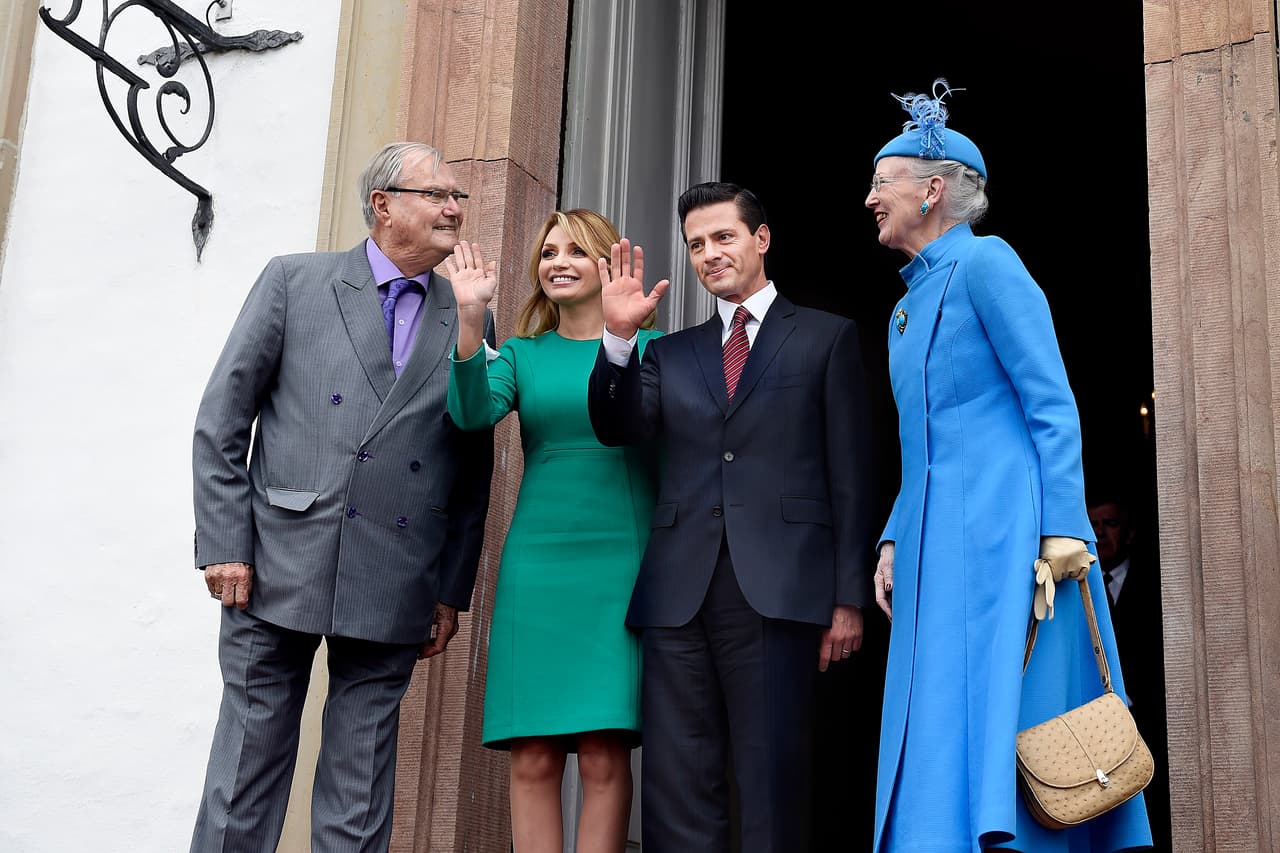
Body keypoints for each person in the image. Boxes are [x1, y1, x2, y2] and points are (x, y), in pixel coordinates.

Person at [866, 80, 1153, 852]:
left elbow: (1052, 404)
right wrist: (893, 537)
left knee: (1013, 716)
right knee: (936, 711)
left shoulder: (989, 264)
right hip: (934, 546)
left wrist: (1064, 527)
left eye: (880, 183)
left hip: (1012, 546)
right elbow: (921, 446)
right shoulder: (901, 307)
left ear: (932, 191)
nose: (870, 200)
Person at [189, 141, 495, 853]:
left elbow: (470, 462)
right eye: (437, 194)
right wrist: (226, 542)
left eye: (459, 198)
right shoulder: (295, 281)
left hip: (395, 573)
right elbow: (223, 419)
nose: (454, 209)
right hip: (273, 564)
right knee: (245, 769)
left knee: (358, 788)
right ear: (384, 205)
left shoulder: (466, 310)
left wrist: (450, 588)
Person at [587, 181, 875, 853]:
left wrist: (847, 597)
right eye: (696, 244)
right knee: (677, 780)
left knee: (771, 775)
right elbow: (617, 426)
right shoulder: (670, 352)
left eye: (723, 236)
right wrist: (620, 339)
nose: (709, 253)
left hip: (782, 590)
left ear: (760, 239)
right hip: (678, 592)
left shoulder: (826, 338)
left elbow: (852, 476)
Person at [444, 209, 661, 853]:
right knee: (532, 757)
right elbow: (470, 411)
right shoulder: (522, 354)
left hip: (620, 561)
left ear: (607, 263)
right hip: (538, 566)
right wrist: (468, 320)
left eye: (575, 250)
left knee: (602, 755)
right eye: (547, 252)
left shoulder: (653, 351)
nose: (558, 261)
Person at [1088, 489, 1170, 852]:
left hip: (1154, 730)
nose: (1101, 533)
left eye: (1111, 523)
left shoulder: (1160, 584)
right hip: (1094, 735)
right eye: (1093, 525)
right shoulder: (1077, 587)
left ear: (1131, 532)